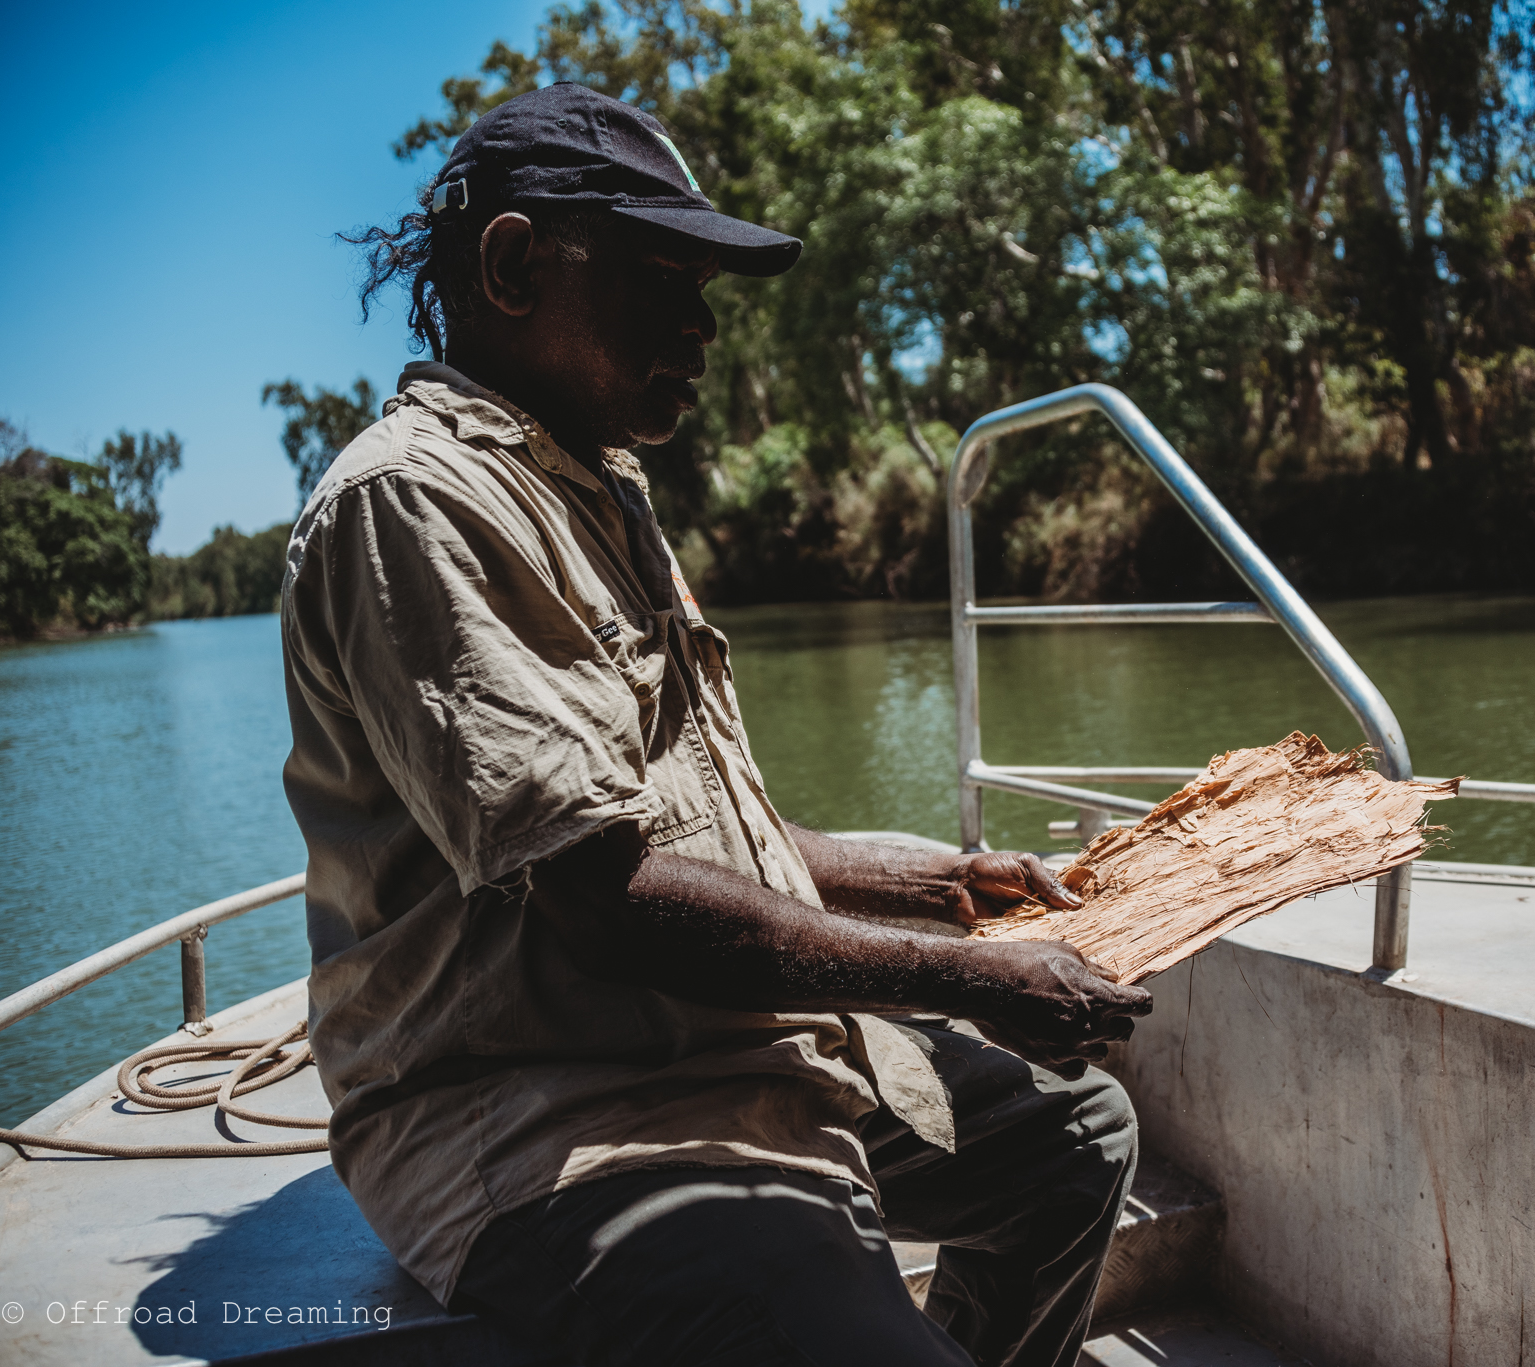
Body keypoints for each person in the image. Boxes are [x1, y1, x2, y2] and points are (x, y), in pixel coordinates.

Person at [281, 81, 1151, 1367]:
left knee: (1080, 1135)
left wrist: (949, 884)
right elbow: (605, 891)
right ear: (514, 263)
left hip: (735, 1050)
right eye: (660, 277)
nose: (699, 327)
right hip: (560, 1113)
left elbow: (716, 832)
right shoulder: (418, 499)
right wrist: (959, 977)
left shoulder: (597, 483)